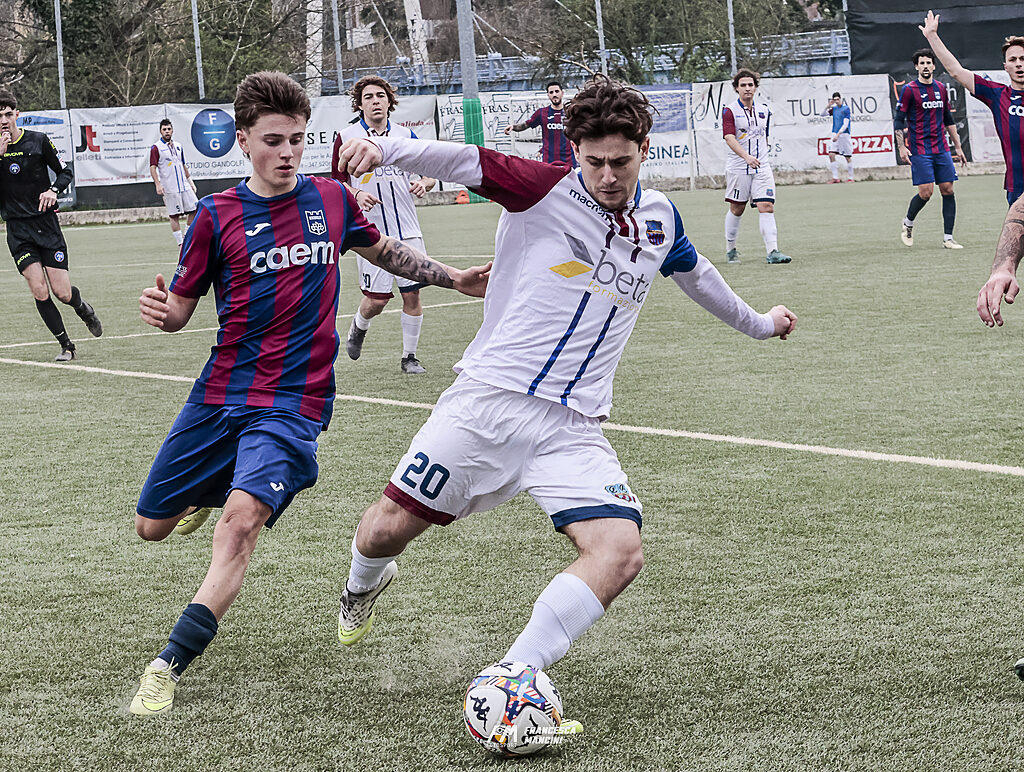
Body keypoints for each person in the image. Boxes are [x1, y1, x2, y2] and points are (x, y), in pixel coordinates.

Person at [334, 75, 797, 736]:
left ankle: (515, 672)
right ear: (575, 151)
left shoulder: (661, 219)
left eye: (621, 161)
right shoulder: (543, 189)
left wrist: (761, 324)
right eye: (594, 161)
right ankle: (360, 587)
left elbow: (698, 276)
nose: (608, 175)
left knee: (621, 551)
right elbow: (466, 160)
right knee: (383, 531)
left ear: (644, 149)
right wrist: (386, 150)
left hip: (572, 426)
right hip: (486, 404)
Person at [128, 71, 490, 717]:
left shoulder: (331, 198)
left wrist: (453, 277)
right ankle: (214, 491)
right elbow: (180, 310)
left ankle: (168, 663)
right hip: (220, 393)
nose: (288, 152)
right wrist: (163, 311)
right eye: (273, 141)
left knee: (240, 525)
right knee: (151, 528)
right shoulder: (215, 215)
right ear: (243, 141)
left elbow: (385, 250)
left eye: (297, 139)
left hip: (295, 400)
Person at [331, 76, 437, 375]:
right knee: (376, 301)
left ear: (390, 101)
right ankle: (358, 326)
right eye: (368, 97)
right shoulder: (347, 137)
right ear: (359, 104)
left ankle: (409, 357)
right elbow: (337, 182)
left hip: (408, 229)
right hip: (370, 233)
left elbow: (430, 173)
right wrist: (356, 194)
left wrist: (424, 183)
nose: (375, 101)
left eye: (380, 95)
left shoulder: (406, 135)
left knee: (412, 293)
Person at [0, 88, 102, 361]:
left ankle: (82, 308)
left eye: (8, 114)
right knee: (39, 289)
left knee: (62, 292)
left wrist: (54, 190)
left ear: (17, 114)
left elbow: (65, 171)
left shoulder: (38, 141)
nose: (4, 120)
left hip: (46, 226)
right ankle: (67, 346)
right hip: (18, 231)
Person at [920, 10, 1024, 206]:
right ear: (1005, 66)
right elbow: (956, 71)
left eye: (1023, 59)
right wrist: (932, 36)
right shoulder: (998, 94)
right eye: (1013, 60)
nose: (1018, 64)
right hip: (1018, 188)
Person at [895, 48, 967, 249]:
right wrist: (901, 147)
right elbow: (899, 120)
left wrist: (958, 147)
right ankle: (908, 222)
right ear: (916, 67)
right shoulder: (909, 90)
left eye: (928, 63)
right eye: (922, 63)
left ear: (934, 66)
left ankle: (948, 238)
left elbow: (948, 119)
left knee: (948, 190)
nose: (925, 66)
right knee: (926, 193)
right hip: (920, 149)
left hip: (941, 148)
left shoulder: (941, 88)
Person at [722, 69, 792, 265]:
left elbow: (764, 136)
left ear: (755, 87)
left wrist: (760, 156)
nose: (747, 88)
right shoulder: (729, 111)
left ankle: (773, 251)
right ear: (736, 88)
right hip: (738, 167)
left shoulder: (764, 111)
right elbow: (729, 138)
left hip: (761, 166)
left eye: (750, 85)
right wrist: (746, 157)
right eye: (743, 85)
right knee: (737, 208)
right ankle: (731, 249)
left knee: (766, 206)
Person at [149, 118, 198, 248]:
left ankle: (186, 236)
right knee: (174, 215)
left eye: (169, 129)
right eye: (164, 129)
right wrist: (158, 184)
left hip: (183, 185)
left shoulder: (178, 146)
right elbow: (153, 167)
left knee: (195, 208)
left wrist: (190, 182)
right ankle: (180, 244)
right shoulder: (156, 148)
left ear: (172, 130)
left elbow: (183, 165)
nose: (167, 131)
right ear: (160, 131)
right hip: (170, 187)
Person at [505, 81, 577, 166]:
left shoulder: (571, 112)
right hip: (549, 160)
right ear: (548, 95)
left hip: (569, 159)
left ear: (562, 93)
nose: (554, 94)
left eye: (557, 91)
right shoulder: (541, 113)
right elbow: (525, 125)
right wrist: (513, 127)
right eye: (551, 92)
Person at [822, 91, 854, 183]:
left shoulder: (846, 109)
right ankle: (835, 178)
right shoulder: (834, 109)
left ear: (840, 99)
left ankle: (851, 178)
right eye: (834, 100)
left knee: (847, 157)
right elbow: (822, 114)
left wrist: (838, 134)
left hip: (844, 135)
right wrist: (828, 106)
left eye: (837, 99)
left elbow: (845, 124)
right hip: (835, 134)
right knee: (831, 154)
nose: (836, 101)